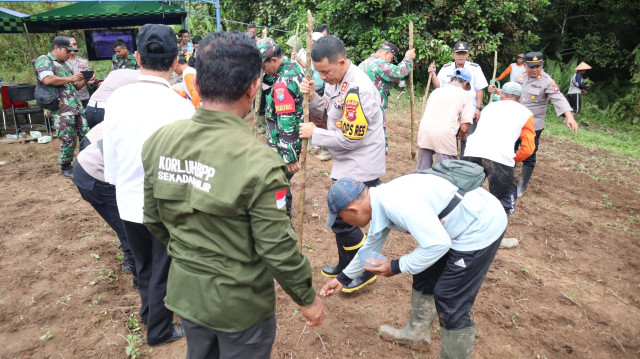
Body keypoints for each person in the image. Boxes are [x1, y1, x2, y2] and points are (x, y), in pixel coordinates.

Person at [141, 30, 324, 359]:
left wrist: (190, 257)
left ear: (195, 85)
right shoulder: (264, 164)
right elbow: (278, 247)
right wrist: (307, 297)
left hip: (187, 294)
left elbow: (153, 220)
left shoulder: (159, 142)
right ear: (254, 87)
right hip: (240, 307)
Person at [320, 176, 507, 359]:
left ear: (352, 209)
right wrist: (342, 279)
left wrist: (395, 266)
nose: (344, 223)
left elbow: (437, 244)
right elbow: (371, 245)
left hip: (480, 226)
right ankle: (417, 334)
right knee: (424, 271)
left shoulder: (397, 205)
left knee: (450, 297)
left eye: (342, 218)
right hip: (455, 225)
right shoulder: (380, 200)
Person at [103, 24, 195, 346]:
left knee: (144, 266)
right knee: (163, 268)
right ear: (174, 62)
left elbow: (110, 155)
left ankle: (148, 315)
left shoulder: (117, 99)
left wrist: (119, 186)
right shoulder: (182, 108)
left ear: (137, 57)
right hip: (165, 205)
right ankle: (159, 330)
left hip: (127, 198)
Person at [299, 35, 386, 292]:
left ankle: (363, 271)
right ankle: (346, 263)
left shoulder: (357, 90)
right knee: (341, 219)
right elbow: (328, 111)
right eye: (319, 72)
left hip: (360, 163)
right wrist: (314, 97)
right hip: (347, 162)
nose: (324, 76)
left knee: (342, 220)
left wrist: (314, 134)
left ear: (342, 62)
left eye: (326, 71)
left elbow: (350, 139)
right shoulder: (336, 80)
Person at [488, 52, 578, 196]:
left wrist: (569, 116)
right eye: (531, 67)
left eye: (538, 66)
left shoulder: (547, 81)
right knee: (510, 150)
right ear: (525, 65)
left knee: (529, 154)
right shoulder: (520, 77)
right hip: (515, 122)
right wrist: (497, 91)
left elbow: (558, 98)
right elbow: (512, 94)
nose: (535, 69)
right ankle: (508, 179)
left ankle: (522, 186)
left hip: (533, 125)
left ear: (542, 65)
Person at [463, 82, 536, 248]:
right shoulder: (526, 113)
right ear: (521, 99)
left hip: (473, 151)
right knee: (503, 199)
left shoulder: (489, 107)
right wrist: (514, 159)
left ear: (501, 96)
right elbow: (528, 148)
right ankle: (495, 239)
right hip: (500, 158)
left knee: (466, 191)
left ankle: (459, 229)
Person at [72, 122, 138, 288]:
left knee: (128, 221)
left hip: (93, 164)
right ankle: (138, 276)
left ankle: (132, 257)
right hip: (92, 174)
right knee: (127, 224)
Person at [258, 38, 304, 216]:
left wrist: (289, 156)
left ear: (274, 60)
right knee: (280, 181)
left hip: (283, 143)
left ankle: (281, 216)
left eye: (264, 66)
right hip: (289, 139)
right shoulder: (294, 66)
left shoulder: (282, 84)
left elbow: (286, 122)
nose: (264, 71)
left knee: (276, 182)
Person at [35, 36, 89, 178]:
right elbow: (47, 79)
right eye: (67, 50)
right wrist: (71, 78)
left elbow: (75, 86)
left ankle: (87, 163)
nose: (69, 54)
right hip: (61, 109)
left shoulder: (64, 65)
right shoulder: (44, 60)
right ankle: (65, 166)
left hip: (76, 107)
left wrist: (85, 79)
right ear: (56, 48)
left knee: (85, 135)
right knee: (68, 138)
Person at [430, 41, 488, 158]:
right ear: (453, 54)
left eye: (463, 53)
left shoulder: (475, 68)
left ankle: (464, 163)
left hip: (469, 110)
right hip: (449, 110)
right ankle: (451, 162)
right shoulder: (447, 68)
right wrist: (433, 75)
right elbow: (438, 87)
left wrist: (478, 108)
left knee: (467, 139)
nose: (461, 56)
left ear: (467, 55)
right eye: (458, 53)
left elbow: (479, 89)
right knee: (450, 138)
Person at [359, 41, 415, 150]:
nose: (391, 62)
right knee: (377, 139)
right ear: (386, 54)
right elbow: (398, 72)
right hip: (375, 109)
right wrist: (408, 58)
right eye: (391, 58)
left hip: (361, 108)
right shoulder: (378, 64)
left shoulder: (363, 64)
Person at [416, 68, 474, 170]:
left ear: (451, 79)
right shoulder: (465, 96)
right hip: (444, 136)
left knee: (422, 170)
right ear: (465, 83)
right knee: (444, 172)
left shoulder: (436, 91)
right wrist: (462, 136)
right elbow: (465, 127)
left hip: (425, 131)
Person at [290, 31, 331, 161]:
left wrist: (314, 91)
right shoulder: (313, 55)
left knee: (322, 121)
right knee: (311, 117)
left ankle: (326, 149)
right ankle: (313, 143)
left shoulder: (322, 57)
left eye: (311, 41)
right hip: (313, 90)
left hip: (318, 91)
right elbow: (309, 68)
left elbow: (317, 77)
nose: (309, 42)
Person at [65, 36, 95, 108]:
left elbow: (88, 79)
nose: (73, 47)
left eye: (75, 44)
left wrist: (90, 81)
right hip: (69, 98)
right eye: (70, 45)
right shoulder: (61, 63)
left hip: (84, 97)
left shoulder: (83, 61)